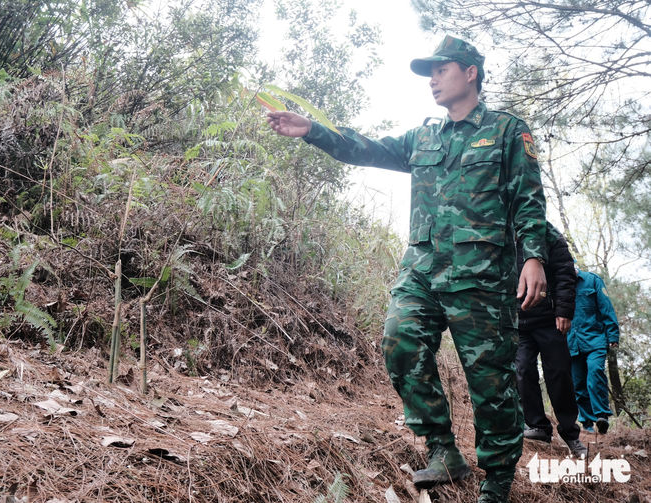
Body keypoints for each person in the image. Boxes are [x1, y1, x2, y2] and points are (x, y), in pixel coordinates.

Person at [266, 35, 548, 503]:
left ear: (470, 72)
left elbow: (528, 200)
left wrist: (534, 256)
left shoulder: (506, 131)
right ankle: (443, 450)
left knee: (491, 383)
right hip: (421, 271)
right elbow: (366, 149)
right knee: (399, 341)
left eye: (441, 70)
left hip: (480, 279)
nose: (433, 80)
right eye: (430, 73)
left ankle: (496, 482)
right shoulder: (424, 136)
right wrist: (312, 129)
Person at [515, 222, 587, 458]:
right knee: (523, 369)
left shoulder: (548, 234)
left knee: (559, 374)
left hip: (550, 319)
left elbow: (566, 273)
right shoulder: (501, 231)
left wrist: (564, 311)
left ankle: (570, 433)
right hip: (518, 322)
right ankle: (537, 426)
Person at [567, 268, 620, 434]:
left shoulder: (592, 280)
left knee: (595, 371)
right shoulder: (559, 283)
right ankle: (587, 423)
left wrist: (613, 334)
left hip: (595, 338)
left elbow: (606, 307)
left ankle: (601, 415)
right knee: (578, 384)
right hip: (571, 342)